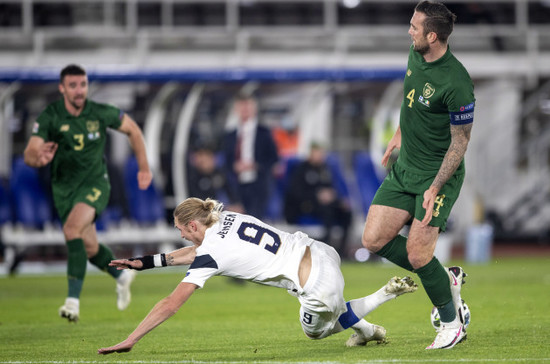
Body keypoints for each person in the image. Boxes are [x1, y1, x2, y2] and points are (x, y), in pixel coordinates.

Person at [97, 197, 418, 355]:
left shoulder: (211, 251)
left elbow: (171, 303)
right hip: (320, 252)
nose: (181, 236)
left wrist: (131, 339)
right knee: (333, 312)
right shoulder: (226, 217)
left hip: (316, 285)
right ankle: (366, 331)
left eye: (180, 230)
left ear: (193, 226)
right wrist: (146, 263)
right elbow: (198, 251)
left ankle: (384, 295)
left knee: (316, 333)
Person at [361, 1, 475, 350]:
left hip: (437, 177)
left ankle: (452, 324)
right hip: (404, 169)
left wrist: (435, 187)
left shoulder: (457, 83)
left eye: (415, 27)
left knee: (418, 254)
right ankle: (445, 280)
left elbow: (460, 144)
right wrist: (399, 133)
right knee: (373, 240)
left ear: (433, 35)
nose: (409, 31)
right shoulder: (416, 54)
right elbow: (412, 101)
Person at [23, 64, 152, 323]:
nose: (79, 90)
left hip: (95, 185)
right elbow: (30, 152)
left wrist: (144, 167)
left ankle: (72, 303)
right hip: (64, 190)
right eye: (73, 85)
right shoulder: (51, 116)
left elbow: (133, 130)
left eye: (83, 84)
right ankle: (122, 275)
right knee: (90, 247)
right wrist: (39, 158)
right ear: (62, 88)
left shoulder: (100, 112)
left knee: (72, 231)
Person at [283, 143, 352, 258]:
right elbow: (295, 193)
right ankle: (325, 246)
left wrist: (337, 199)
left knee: (346, 212)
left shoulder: (324, 169)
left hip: (325, 204)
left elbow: (330, 188)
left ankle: (341, 250)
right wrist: (317, 196)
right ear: (311, 154)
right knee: (327, 211)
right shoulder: (301, 169)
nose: (320, 156)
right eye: (317, 153)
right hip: (305, 205)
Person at [222, 94, 279, 219]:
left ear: (254, 109)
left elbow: (273, 158)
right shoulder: (230, 136)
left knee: (255, 220)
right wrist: (234, 167)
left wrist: (255, 165)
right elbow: (226, 161)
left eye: (248, 107)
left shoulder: (264, 133)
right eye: (242, 107)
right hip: (236, 186)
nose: (245, 110)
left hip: (258, 185)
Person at [187, 145, 243, 213]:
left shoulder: (228, 159)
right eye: (199, 166)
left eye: (202, 162)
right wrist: (227, 207)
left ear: (208, 154)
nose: (203, 167)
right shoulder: (205, 182)